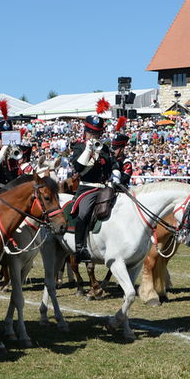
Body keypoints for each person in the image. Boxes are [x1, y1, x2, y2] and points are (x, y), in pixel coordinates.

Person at [70, 105, 117, 262]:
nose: (93, 135)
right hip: (87, 189)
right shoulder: (79, 147)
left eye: (96, 132)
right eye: (90, 132)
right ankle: (79, 248)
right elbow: (78, 167)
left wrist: (116, 173)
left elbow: (113, 164)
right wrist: (88, 150)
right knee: (83, 214)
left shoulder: (104, 148)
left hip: (105, 188)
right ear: (85, 131)